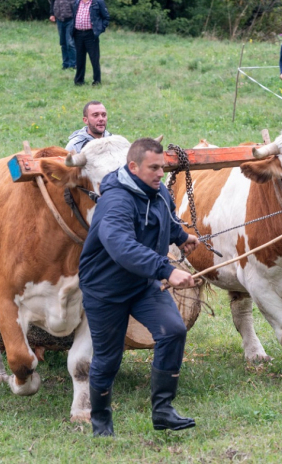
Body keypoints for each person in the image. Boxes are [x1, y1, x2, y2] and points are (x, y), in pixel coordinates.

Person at [79, 137, 199, 436]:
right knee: (108, 359)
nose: (161, 173)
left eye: (163, 167)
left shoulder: (157, 193)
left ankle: (163, 411)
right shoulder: (116, 201)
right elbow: (121, 246)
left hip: (141, 284)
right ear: (133, 167)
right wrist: (166, 270)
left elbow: (164, 221)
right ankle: (101, 421)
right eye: (153, 167)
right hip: (104, 290)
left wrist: (180, 237)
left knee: (173, 331)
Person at [72, 0, 110, 86]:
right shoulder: (76, 1)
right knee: (79, 59)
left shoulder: (98, 2)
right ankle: (79, 81)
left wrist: (99, 29)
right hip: (78, 34)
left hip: (91, 34)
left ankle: (97, 81)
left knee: (94, 59)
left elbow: (106, 17)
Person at [49, 0, 81, 70]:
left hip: (72, 17)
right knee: (63, 42)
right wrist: (52, 13)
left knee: (70, 42)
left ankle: (74, 64)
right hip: (59, 17)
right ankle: (65, 64)